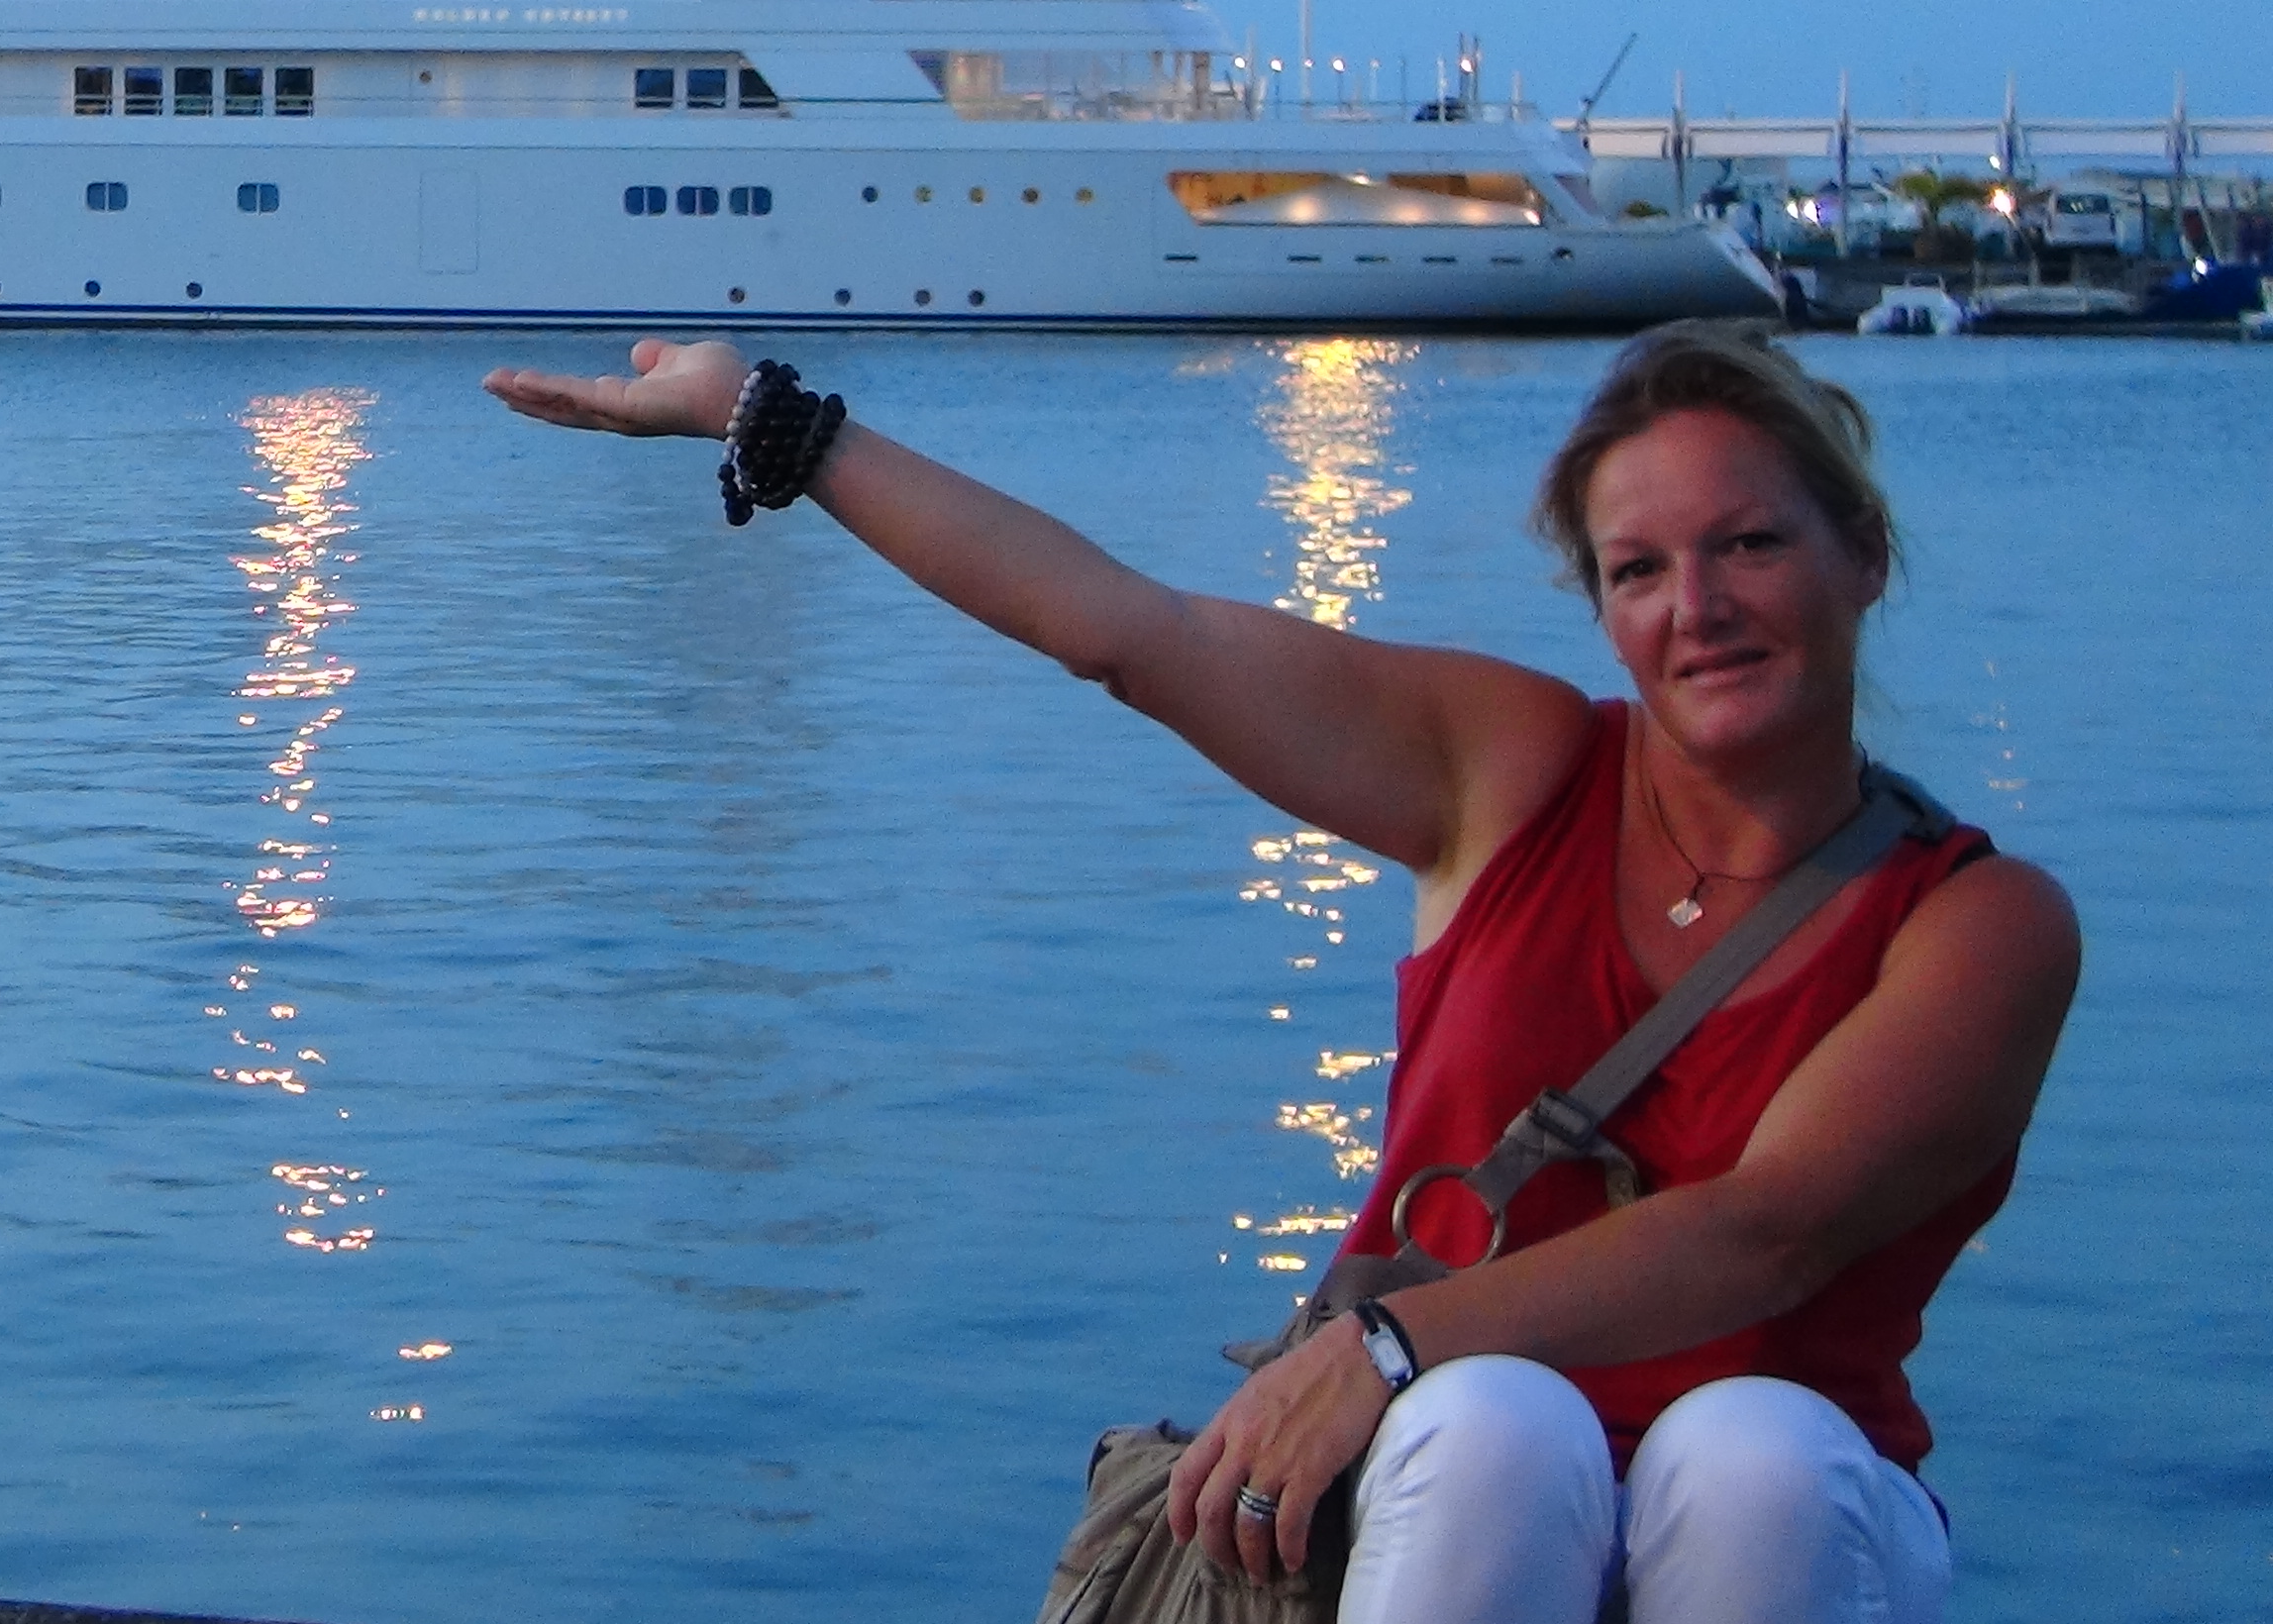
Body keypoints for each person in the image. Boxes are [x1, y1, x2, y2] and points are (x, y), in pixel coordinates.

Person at [484, 324, 2077, 1623]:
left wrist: (1387, 1346)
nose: (1700, 609)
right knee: (1500, 1425)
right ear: (1598, 608)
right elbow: (1128, 631)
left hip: (1794, 1529)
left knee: (1752, 1455)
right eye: (1640, 570)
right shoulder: (1511, 770)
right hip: (1455, 1478)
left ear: (1864, 556)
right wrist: (772, 422)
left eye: (1751, 545)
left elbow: (1769, 1233)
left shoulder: (1975, 923)